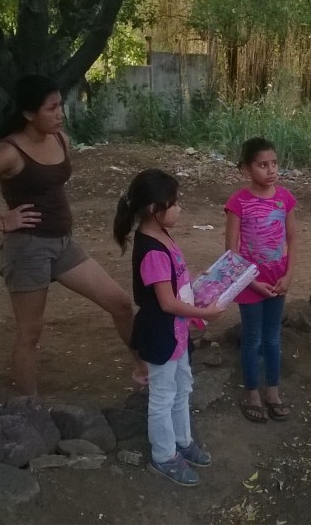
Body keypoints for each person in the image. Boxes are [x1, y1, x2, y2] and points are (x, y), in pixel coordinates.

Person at [0, 75, 142, 395]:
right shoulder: (9, 151)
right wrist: (0, 221)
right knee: (29, 334)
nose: (60, 112)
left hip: (63, 244)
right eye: (51, 108)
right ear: (29, 113)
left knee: (119, 304)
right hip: (28, 250)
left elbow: (50, 186)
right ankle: (30, 410)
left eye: (60, 104)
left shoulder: (60, 138)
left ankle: (146, 372)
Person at [113, 168, 225, 486]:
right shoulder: (151, 249)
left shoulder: (160, 235)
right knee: (163, 394)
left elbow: (173, 286)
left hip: (175, 332)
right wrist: (208, 313)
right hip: (162, 331)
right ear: (153, 208)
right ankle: (164, 455)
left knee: (182, 386)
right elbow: (166, 302)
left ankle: (182, 441)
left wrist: (200, 282)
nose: (179, 208)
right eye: (173, 203)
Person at [225, 137, 298, 423]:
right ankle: (252, 392)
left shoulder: (285, 198)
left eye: (274, 164)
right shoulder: (238, 202)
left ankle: (273, 392)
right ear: (246, 169)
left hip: (278, 280)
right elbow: (231, 251)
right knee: (253, 338)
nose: (271, 170)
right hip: (249, 282)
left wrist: (289, 275)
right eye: (263, 165)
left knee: (273, 337)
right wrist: (250, 282)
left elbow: (293, 238)